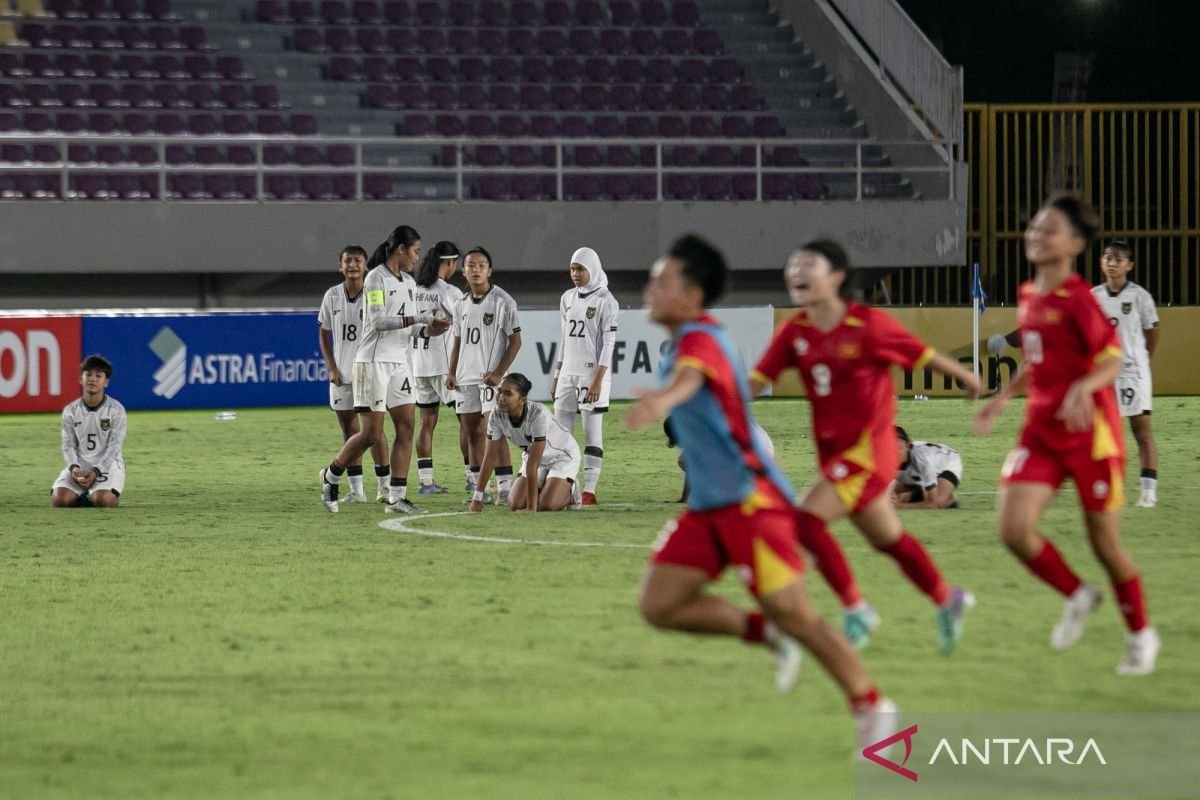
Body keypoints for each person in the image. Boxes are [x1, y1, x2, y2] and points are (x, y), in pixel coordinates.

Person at [626, 235, 896, 754]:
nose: (650, 289)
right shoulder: (685, 340)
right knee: (659, 604)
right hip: (709, 510)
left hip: (754, 505)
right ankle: (765, 635)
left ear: (692, 293)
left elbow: (690, 380)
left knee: (797, 614)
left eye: (662, 281)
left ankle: (874, 707)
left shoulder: (701, 341)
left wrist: (664, 400)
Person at [750, 239, 981, 653]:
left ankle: (856, 609)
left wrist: (968, 378)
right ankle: (948, 599)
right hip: (837, 458)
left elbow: (923, 354)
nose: (796, 271)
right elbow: (755, 381)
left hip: (871, 454)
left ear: (836, 277)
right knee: (889, 539)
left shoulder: (868, 324)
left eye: (808, 265)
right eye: (792, 264)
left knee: (805, 521)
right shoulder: (795, 331)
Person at [974, 193, 1159, 676]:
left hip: (1090, 436)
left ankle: (1141, 634)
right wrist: (1000, 399)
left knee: (1104, 544)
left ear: (1075, 243)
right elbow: (1037, 362)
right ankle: (1077, 594)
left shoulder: (1079, 300)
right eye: (1034, 226)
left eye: (1050, 228)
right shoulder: (1029, 295)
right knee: (1013, 530)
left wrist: (1084, 386)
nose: (1037, 234)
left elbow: (1112, 360)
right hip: (1040, 433)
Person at [319, 225, 451, 514]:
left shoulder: (409, 283)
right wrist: (418, 317)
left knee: (406, 426)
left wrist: (432, 330)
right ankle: (331, 475)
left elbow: (413, 329)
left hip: (399, 363)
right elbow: (378, 321)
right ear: (401, 250)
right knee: (371, 434)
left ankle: (397, 497)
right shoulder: (375, 279)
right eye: (415, 251)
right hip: (372, 362)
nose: (418, 257)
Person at [445, 247, 522, 504]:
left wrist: (500, 374)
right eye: (470, 265)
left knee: (495, 431)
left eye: (481, 265)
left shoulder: (503, 301)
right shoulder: (459, 305)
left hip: (492, 381)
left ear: (489, 270)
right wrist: (451, 372)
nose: (475, 270)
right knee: (471, 434)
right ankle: (482, 490)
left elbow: (515, 341)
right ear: (463, 270)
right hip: (465, 378)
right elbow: (457, 341)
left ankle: (505, 488)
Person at [317, 244, 391, 504]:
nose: (352, 266)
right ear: (340, 266)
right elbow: (324, 333)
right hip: (342, 375)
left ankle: (384, 486)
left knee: (375, 431)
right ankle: (357, 490)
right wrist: (332, 368)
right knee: (350, 431)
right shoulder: (332, 296)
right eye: (347, 261)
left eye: (357, 261)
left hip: (369, 372)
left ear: (366, 265)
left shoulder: (375, 294)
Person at [1090, 239, 1160, 508]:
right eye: (1107, 257)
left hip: (1133, 373)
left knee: (1141, 432)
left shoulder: (1141, 297)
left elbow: (1152, 333)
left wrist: (1142, 361)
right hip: (1103, 374)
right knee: (1104, 434)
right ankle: (1108, 487)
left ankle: (1148, 491)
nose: (1112, 262)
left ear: (1129, 265)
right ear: (1101, 263)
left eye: (1118, 259)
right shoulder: (1094, 297)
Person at [550, 246, 619, 506]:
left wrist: (598, 381)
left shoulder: (606, 300)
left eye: (580, 269)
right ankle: (569, 486)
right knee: (560, 436)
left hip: (592, 376)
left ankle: (590, 490)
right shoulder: (567, 298)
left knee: (592, 433)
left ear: (593, 269)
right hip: (568, 374)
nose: (575, 274)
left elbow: (608, 345)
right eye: (572, 269)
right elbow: (563, 339)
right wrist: (556, 376)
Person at [467, 373, 582, 513]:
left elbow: (533, 465)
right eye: (500, 392)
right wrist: (477, 498)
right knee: (514, 504)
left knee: (548, 505)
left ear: (522, 399)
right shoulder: (496, 415)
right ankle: (549, 484)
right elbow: (490, 457)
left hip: (562, 456)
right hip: (534, 456)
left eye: (508, 394)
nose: (501, 398)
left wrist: (531, 508)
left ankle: (571, 488)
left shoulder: (538, 414)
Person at [411, 240, 464, 495]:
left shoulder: (414, 288)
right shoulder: (449, 292)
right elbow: (464, 326)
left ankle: (426, 482)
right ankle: (472, 477)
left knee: (426, 422)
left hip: (418, 364)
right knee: (468, 421)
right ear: (449, 263)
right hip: (444, 366)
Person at [52, 354, 126, 508]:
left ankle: (98, 494)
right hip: (81, 466)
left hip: (108, 466)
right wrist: (74, 467)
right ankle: (85, 494)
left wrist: (97, 471)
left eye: (98, 376)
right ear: (81, 379)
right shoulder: (70, 411)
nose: (92, 379)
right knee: (59, 500)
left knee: (103, 501)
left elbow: (115, 446)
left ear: (106, 382)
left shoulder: (116, 410)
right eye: (88, 375)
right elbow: (68, 445)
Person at [891, 427, 963, 509]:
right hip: (918, 468)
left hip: (947, 462)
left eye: (898, 449)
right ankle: (921, 488)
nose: (894, 454)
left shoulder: (923, 460)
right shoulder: (883, 456)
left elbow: (933, 504)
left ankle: (949, 499)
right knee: (896, 496)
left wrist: (899, 506)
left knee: (939, 502)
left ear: (908, 446)